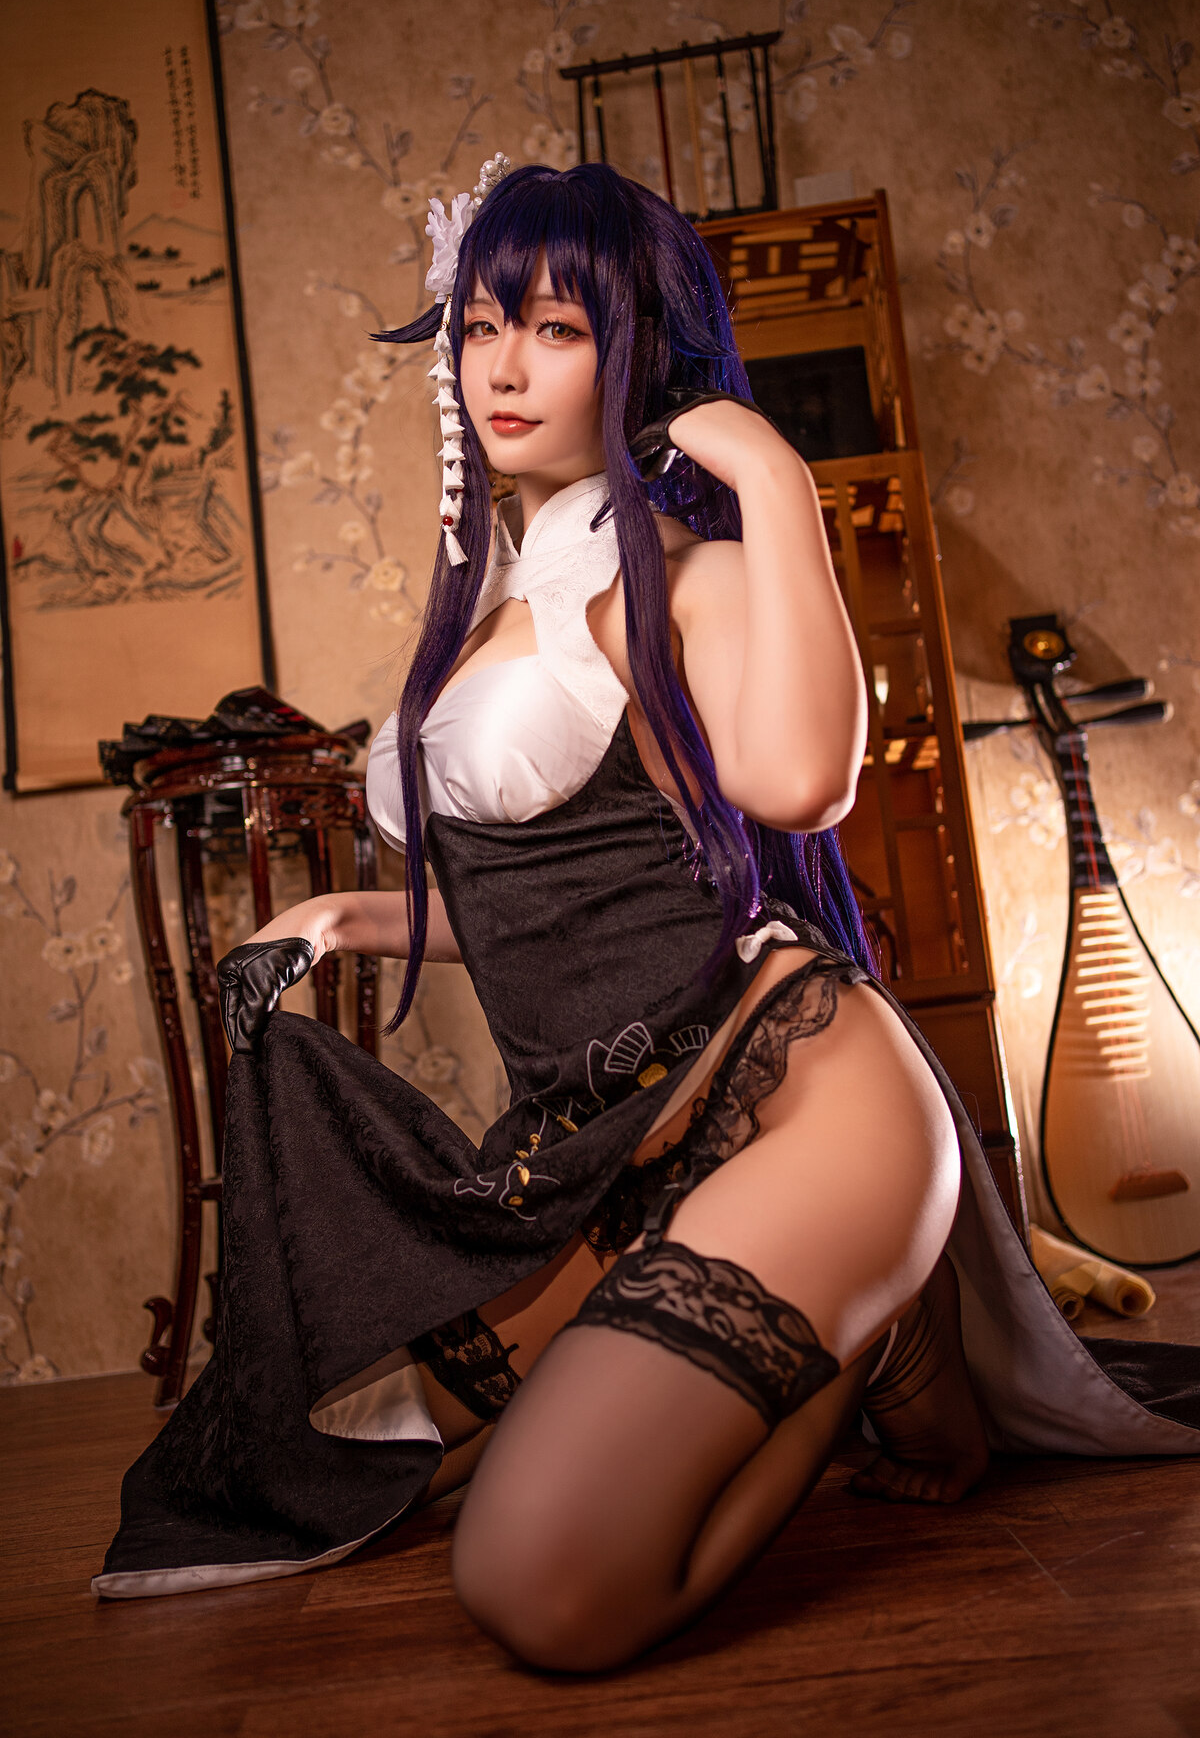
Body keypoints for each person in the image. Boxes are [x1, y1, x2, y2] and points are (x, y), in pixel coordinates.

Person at [94, 162, 1200, 1669]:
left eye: (554, 328)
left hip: (800, 1105)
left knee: (540, 1582)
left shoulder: (691, 578)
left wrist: (778, 480)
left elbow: (801, 783)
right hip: (615, 1141)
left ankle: (860, 1345)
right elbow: (557, 896)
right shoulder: (495, 604)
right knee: (375, 1441)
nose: (501, 366)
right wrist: (343, 919)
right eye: (482, 326)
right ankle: (863, 1326)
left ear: (638, 356)